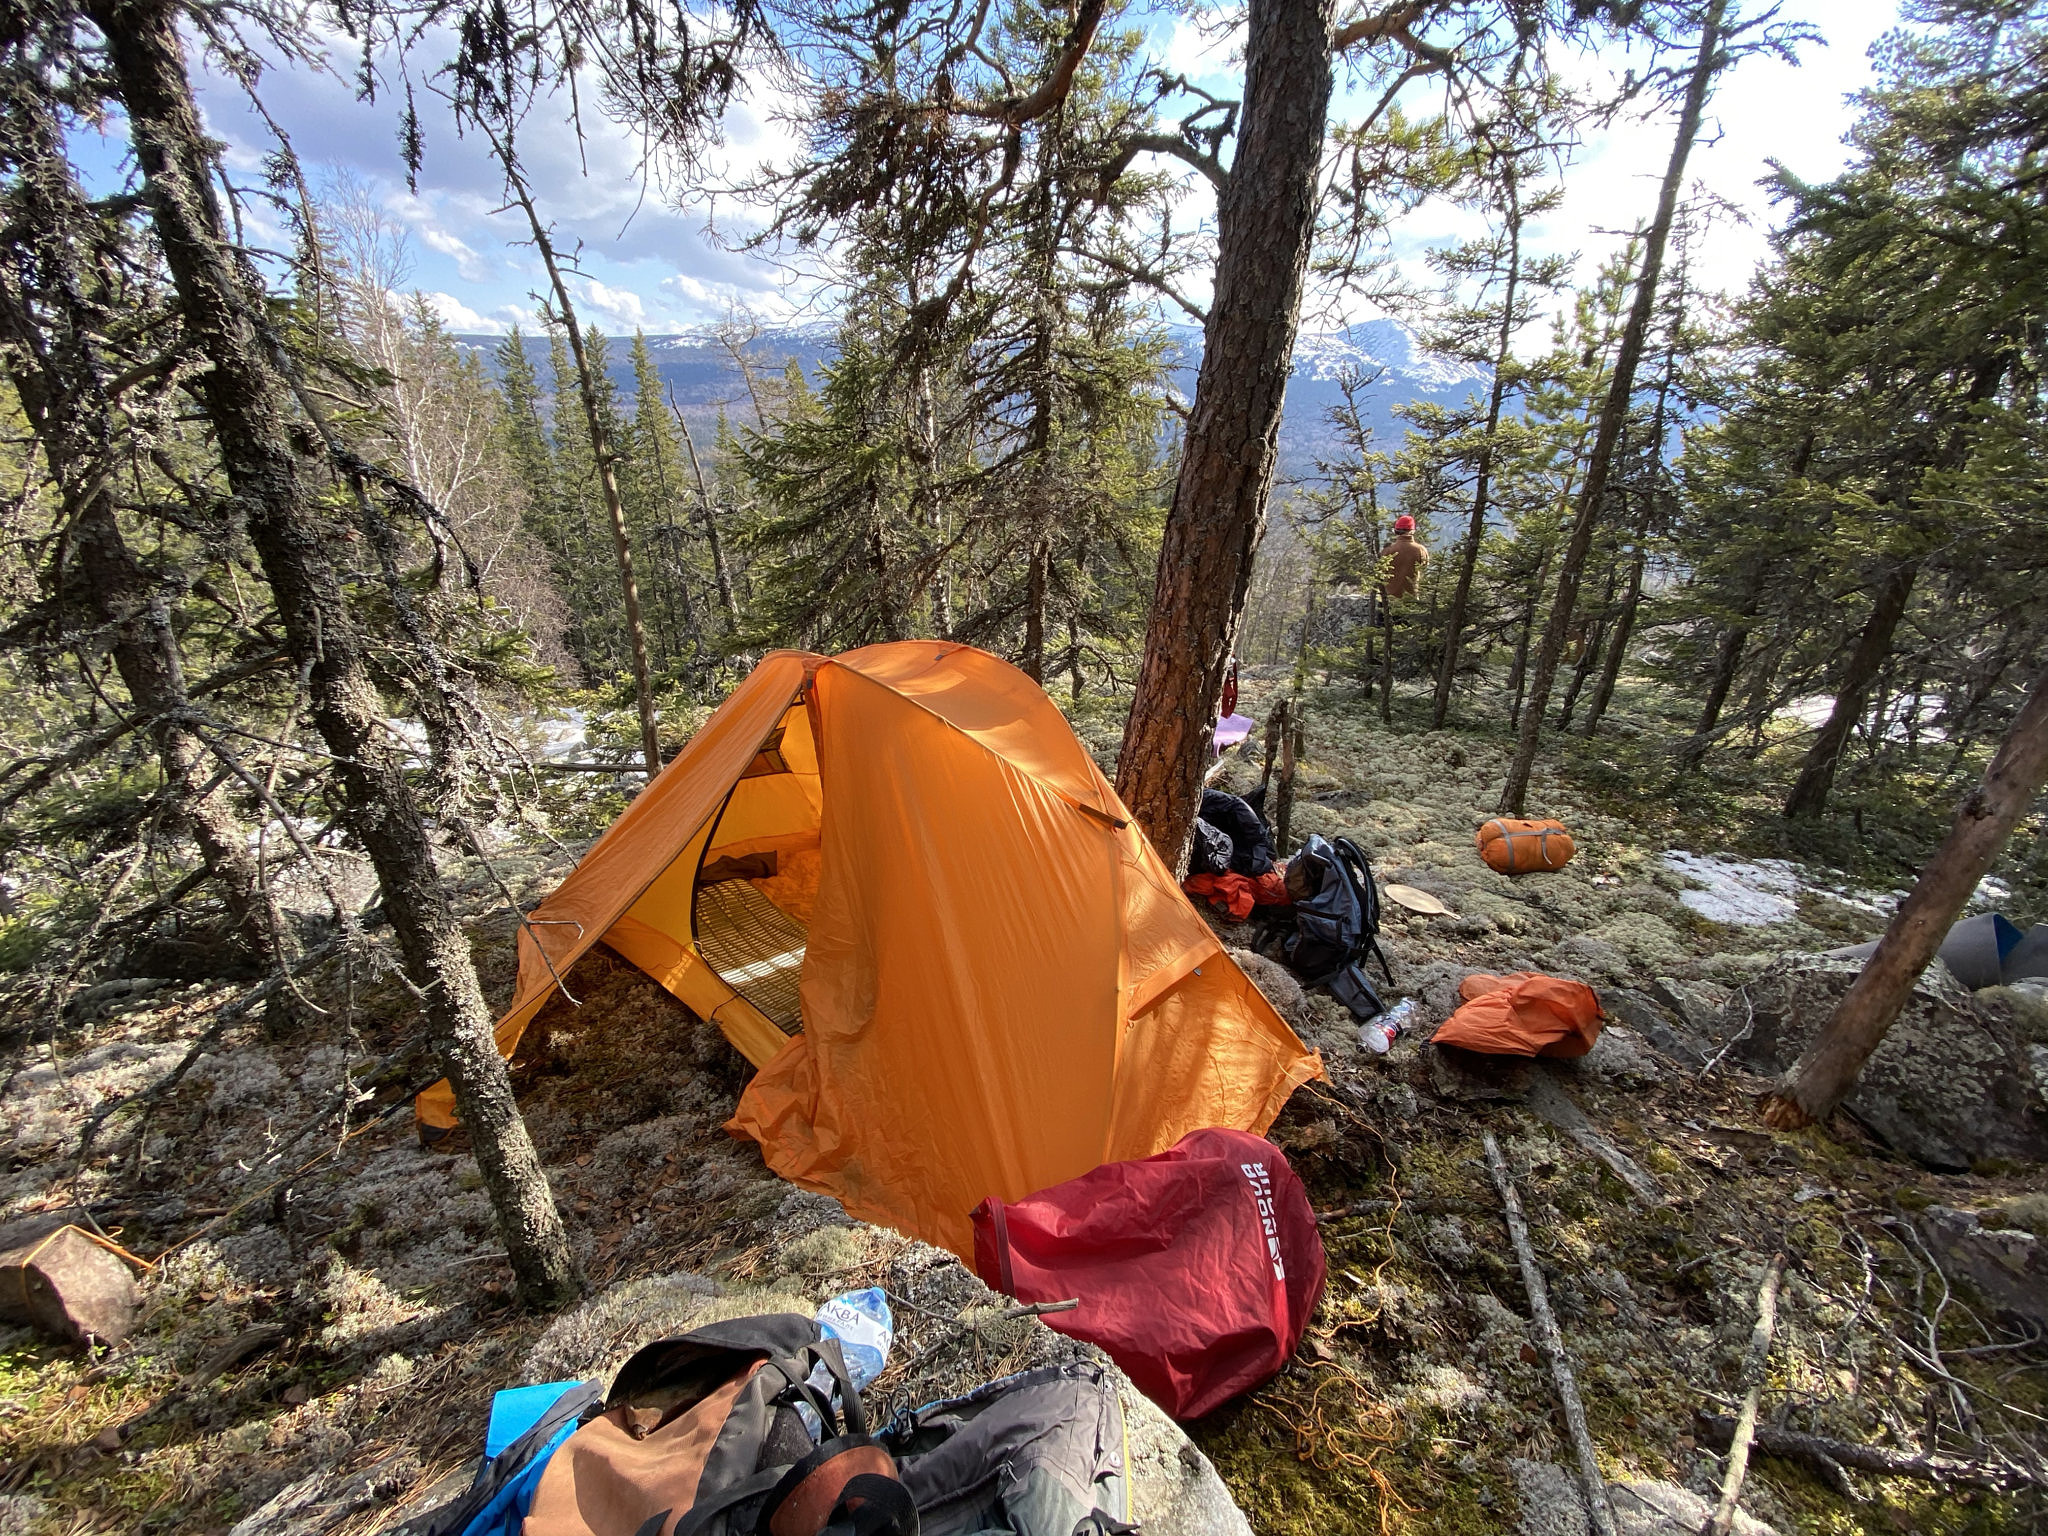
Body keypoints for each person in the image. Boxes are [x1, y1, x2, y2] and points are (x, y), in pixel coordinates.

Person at [1384, 514, 1429, 599]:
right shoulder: (1421, 550)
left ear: (1396, 531)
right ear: (1412, 531)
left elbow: (1380, 571)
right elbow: (1424, 567)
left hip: (1389, 597)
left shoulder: (1388, 550)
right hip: (1411, 599)